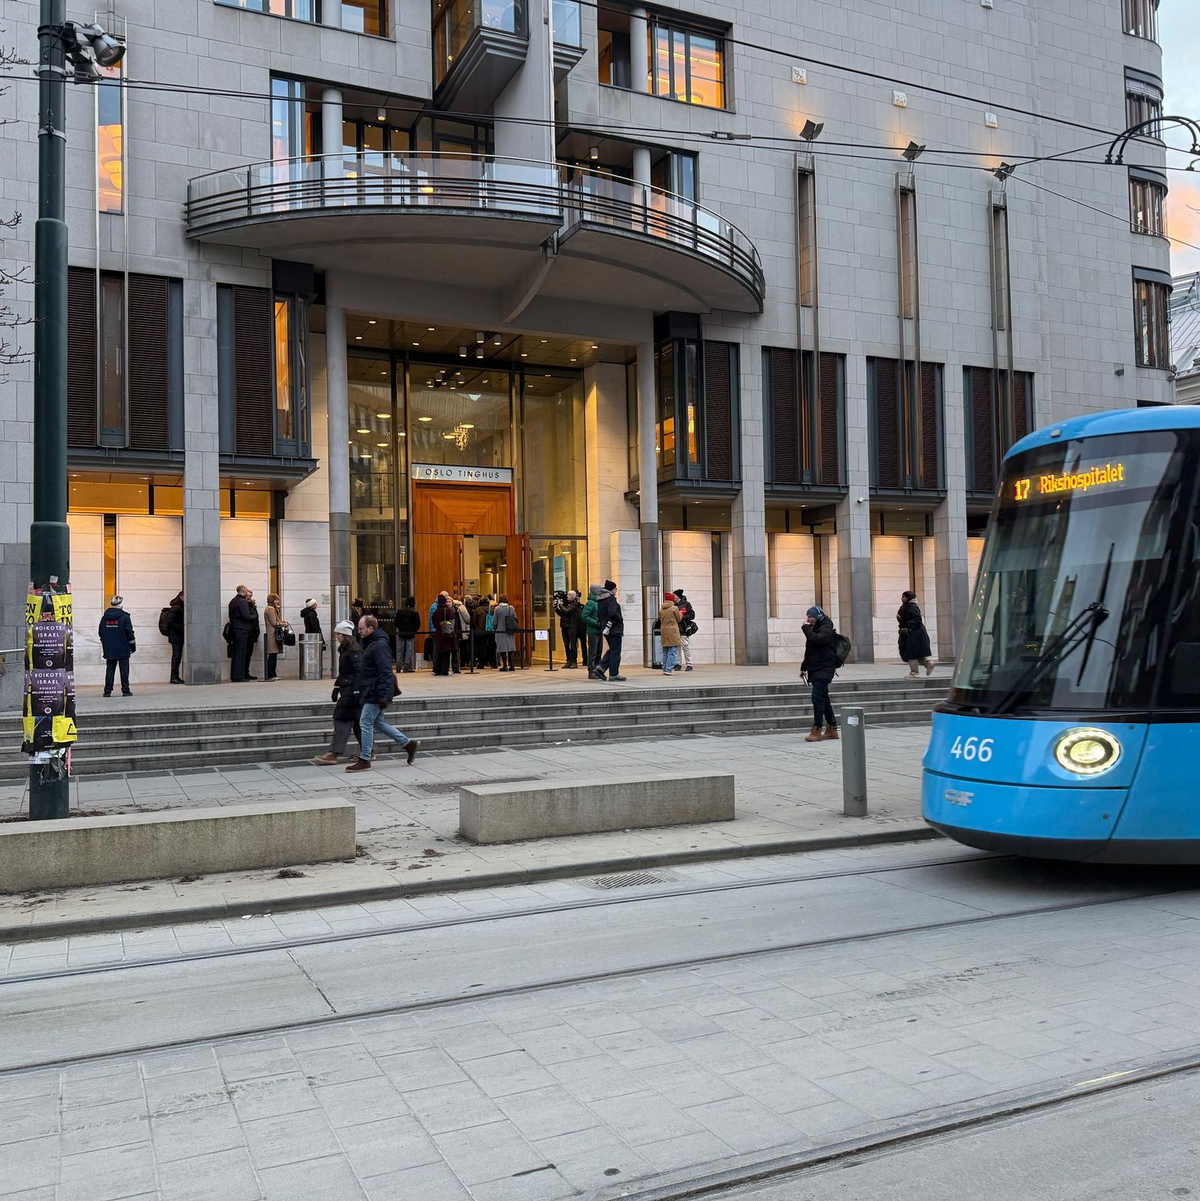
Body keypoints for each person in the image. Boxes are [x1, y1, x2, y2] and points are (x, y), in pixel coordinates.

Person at [347, 615, 418, 773]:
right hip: (372, 690)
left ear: (371, 628)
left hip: (376, 691)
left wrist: (383, 695)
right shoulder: (371, 643)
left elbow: (385, 671)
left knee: (365, 722)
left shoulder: (379, 645)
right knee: (378, 722)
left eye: (361, 628)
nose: (359, 632)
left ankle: (365, 758)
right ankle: (408, 744)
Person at [313, 620, 363, 765]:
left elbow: (358, 672)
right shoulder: (346, 649)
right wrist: (336, 686)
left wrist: (357, 691)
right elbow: (345, 672)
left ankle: (334, 752)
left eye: (339, 634)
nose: (337, 636)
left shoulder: (353, 650)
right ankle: (369, 749)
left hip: (351, 691)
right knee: (357, 722)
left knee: (341, 719)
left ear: (345, 635)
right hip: (348, 689)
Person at [800, 605, 840, 742]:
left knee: (817, 697)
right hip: (816, 667)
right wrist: (803, 667)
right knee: (824, 698)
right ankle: (832, 728)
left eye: (810, 617)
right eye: (807, 617)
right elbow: (811, 649)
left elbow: (818, 640)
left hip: (825, 668)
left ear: (817, 616)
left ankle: (817, 729)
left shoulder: (826, 627)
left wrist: (806, 629)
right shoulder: (815, 628)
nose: (808, 620)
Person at [98, 595, 135, 697]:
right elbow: (129, 633)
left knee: (110, 669)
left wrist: (106, 643)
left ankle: (107, 691)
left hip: (109, 648)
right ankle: (125, 690)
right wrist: (132, 645)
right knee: (124, 669)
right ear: (121, 605)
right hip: (123, 647)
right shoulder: (125, 617)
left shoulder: (105, 617)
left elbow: (101, 632)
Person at [898, 590, 936, 677]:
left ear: (908, 598)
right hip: (911, 633)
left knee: (911, 653)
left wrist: (907, 625)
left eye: (903, 597)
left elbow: (917, 619)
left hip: (914, 634)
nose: (902, 598)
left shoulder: (912, 607)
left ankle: (914, 672)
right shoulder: (906, 606)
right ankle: (929, 664)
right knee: (915, 654)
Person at [597, 579, 626, 682]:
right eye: (615, 589)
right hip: (614, 629)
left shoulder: (601, 600)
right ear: (611, 589)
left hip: (606, 628)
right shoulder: (611, 599)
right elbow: (613, 613)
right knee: (615, 652)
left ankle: (601, 668)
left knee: (613, 650)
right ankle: (613, 674)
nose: (616, 590)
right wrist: (620, 618)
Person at [228, 585, 255, 683]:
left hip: (235, 629)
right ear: (243, 591)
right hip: (242, 630)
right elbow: (246, 616)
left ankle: (234, 675)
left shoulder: (232, 601)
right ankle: (239, 676)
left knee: (235, 653)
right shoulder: (242, 601)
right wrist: (253, 616)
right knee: (241, 653)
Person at [431, 592, 459, 677]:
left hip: (439, 634)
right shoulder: (447, 610)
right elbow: (452, 621)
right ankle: (444, 670)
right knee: (446, 653)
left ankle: (437, 669)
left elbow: (434, 623)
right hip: (447, 634)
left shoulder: (435, 612)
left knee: (440, 653)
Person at [555, 590, 582, 668]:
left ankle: (574, 661)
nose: (567, 597)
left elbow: (567, 611)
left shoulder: (574, 605)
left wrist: (560, 605)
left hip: (571, 626)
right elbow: (562, 614)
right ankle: (568, 660)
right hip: (564, 626)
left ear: (572, 597)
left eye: (569, 596)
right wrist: (556, 608)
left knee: (572, 644)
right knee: (566, 644)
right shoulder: (566, 604)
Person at [394, 596, 421, 673]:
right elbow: (417, 624)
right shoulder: (414, 612)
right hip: (410, 633)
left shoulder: (400, 611)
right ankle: (406, 666)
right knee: (409, 650)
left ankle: (398, 666)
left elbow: (395, 622)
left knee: (400, 649)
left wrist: (400, 628)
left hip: (402, 632)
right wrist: (413, 630)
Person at [658, 593, 683, 676]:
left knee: (665, 651)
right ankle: (669, 669)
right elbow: (678, 619)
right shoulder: (674, 608)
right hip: (672, 631)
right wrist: (681, 614)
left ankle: (665, 668)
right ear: (672, 599)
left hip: (664, 630)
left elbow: (660, 619)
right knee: (672, 651)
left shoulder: (661, 608)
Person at [581, 584, 603, 678]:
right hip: (593, 631)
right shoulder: (590, 603)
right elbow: (585, 616)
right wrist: (596, 623)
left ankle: (597, 670)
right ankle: (591, 671)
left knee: (599, 652)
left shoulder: (599, 602)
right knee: (593, 652)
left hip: (599, 631)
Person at [493, 593, 518, 671]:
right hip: (510, 630)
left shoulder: (497, 609)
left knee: (502, 648)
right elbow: (515, 618)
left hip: (501, 631)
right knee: (511, 647)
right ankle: (512, 665)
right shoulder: (511, 608)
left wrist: (494, 627)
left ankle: (505, 665)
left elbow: (494, 622)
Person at [674, 587, 697, 672]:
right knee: (677, 647)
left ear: (678, 597)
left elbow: (692, 615)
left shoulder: (687, 604)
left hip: (683, 628)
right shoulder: (673, 605)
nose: (673, 597)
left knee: (685, 646)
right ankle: (678, 664)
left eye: (674, 596)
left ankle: (689, 664)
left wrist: (683, 616)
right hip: (675, 628)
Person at [164, 592, 185, 684]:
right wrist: (181, 629)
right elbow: (170, 621)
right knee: (176, 656)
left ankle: (175, 677)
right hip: (176, 636)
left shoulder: (179, 607)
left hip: (177, 635)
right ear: (181, 597)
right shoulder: (177, 607)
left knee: (177, 656)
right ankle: (174, 677)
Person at [263, 593, 282, 681]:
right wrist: (283, 624)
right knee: (272, 655)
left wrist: (278, 610)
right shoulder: (270, 609)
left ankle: (273, 674)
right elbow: (274, 622)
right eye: (276, 600)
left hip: (273, 634)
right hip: (272, 634)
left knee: (273, 655)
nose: (278, 601)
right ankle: (271, 674)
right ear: (272, 600)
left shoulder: (272, 609)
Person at [472, 594, 492, 669]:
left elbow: (474, 621)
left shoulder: (478, 609)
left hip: (480, 631)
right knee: (491, 646)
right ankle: (492, 663)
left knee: (481, 648)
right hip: (490, 630)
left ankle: (481, 664)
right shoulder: (492, 608)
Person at [453, 595, 471, 674]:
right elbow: (467, 618)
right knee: (465, 647)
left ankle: (459, 663)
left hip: (456, 630)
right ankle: (464, 663)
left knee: (458, 647)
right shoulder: (462, 607)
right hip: (464, 629)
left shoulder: (453, 606)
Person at [245, 590, 261, 680]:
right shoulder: (244, 606)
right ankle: (244, 672)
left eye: (250, 596)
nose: (249, 597)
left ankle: (246, 672)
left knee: (248, 654)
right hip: (247, 632)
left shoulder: (253, 606)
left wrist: (256, 632)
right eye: (247, 595)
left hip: (252, 633)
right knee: (245, 654)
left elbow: (256, 621)